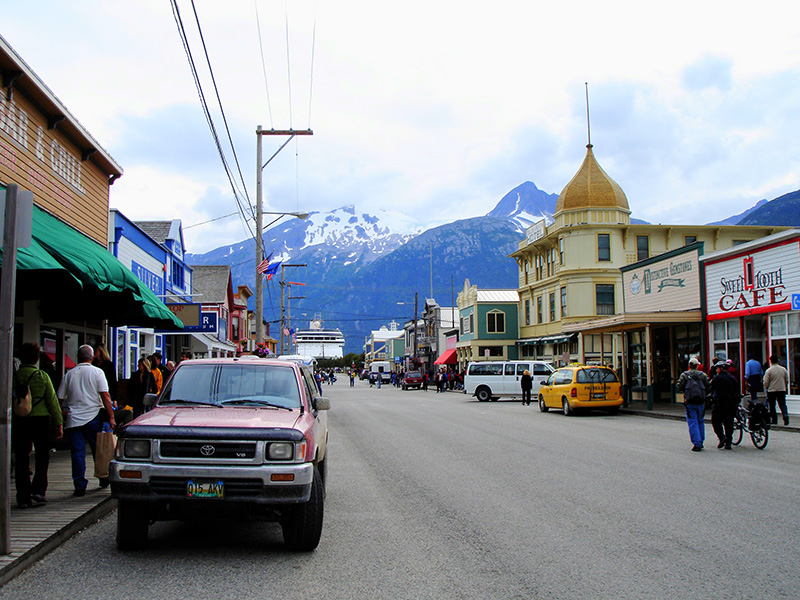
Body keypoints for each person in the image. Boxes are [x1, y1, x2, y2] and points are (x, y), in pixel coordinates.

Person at [57, 344, 116, 495]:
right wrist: (111, 416)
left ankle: (79, 485)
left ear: (78, 357)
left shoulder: (69, 374)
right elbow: (105, 395)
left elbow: (60, 398)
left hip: (73, 418)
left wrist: (59, 416)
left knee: (77, 452)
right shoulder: (97, 372)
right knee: (99, 451)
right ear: (92, 357)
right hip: (93, 416)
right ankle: (103, 477)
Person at [12, 343, 64, 508]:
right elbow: (52, 401)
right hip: (41, 420)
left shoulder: (15, 376)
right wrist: (58, 423)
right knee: (42, 455)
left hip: (20, 420)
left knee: (21, 457)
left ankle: (23, 496)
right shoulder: (41, 376)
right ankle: (39, 490)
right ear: (36, 358)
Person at [677, 358, 710, 452]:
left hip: (690, 401)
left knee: (692, 421)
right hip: (701, 401)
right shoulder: (702, 375)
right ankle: (701, 440)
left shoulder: (685, 375)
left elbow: (679, 386)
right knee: (700, 421)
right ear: (697, 365)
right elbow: (708, 386)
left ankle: (697, 442)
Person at [711, 361, 741, 449]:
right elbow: (737, 391)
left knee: (716, 421)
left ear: (721, 369)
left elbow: (711, 389)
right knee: (729, 423)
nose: (716, 370)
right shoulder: (732, 378)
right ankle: (728, 442)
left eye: (717, 368)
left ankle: (721, 437)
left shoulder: (717, 379)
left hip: (720, 403)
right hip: (731, 404)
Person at [763, 354, 790, 426]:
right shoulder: (783, 369)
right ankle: (785, 415)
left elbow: (766, 381)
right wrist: (784, 386)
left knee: (772, 405)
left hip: (772, 390)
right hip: (781, 389)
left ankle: (774, 419)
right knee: (782, 404)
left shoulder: (769, 371)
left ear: (771, 361)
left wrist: (766, 387)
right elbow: (787, 379)